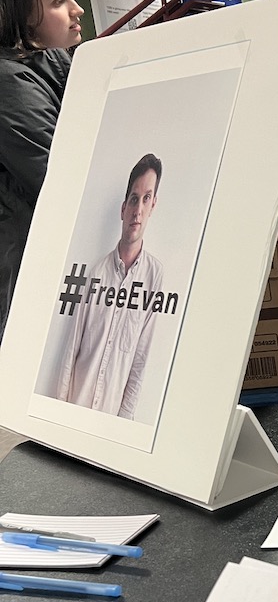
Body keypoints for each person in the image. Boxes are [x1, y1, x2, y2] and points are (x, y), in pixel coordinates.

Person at [0, 0, 83, 336]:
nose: (76, 9)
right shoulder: (9, 84)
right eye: (58, 2)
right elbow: (60, 181)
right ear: (19, 14)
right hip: (22, 277)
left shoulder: (53, 62)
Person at [57, 154, 164, 420]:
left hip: (110, 421)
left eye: (146, 198)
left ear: (153, 206)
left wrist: (122, 427)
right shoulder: (96, 274)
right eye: (133, 199)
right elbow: (71, 349)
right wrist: (58, 415)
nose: (138, 209)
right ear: (123, 209)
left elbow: (140, 361)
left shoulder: (154, 278)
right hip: (76, 409)